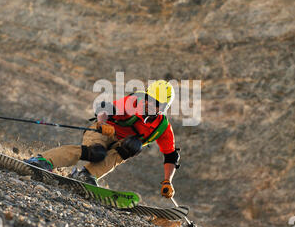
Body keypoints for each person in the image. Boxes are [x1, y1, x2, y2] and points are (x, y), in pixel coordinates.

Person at [25, 80, 180, 199]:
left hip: (120, 143)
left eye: (157, 103)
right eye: (149, 99)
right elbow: (105, 109)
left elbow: (171, 156)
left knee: (133, 146)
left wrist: (167, 181)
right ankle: (43, 160)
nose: (150, 104)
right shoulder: (132, 102)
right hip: (103, 131)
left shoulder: (163, 128)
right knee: (96, 152)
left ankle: (87, 176)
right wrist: (103, 123)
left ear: (164, 107)